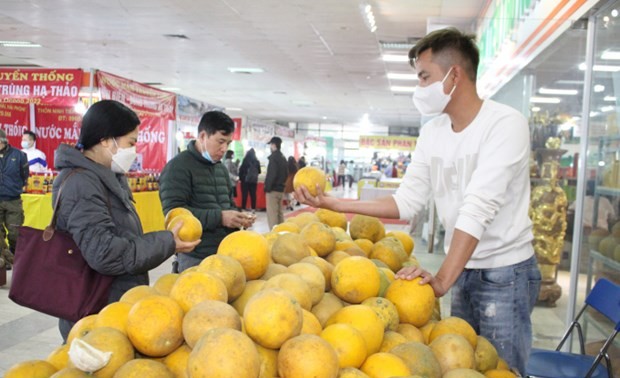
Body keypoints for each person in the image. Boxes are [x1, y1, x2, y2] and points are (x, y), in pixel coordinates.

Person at [295, 28, 540, 375]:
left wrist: (441, 280)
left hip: (506, 271)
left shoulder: (505, 125)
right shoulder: (433, 132)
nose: (420, 88)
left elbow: (478, 206)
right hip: (465, 268)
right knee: (466, 365)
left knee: (501, 368)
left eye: (425, 77)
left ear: (455, 75)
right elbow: (407, 201)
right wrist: (337, 204)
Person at [52, 100, 199, 341]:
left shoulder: (109, 176)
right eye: (131, 142)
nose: (134, 150)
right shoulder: (82, 184)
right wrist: (166, 242)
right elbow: (104, 253)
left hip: (116, 302)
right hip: (97, 312)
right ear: (105, 140)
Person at [160, 111, 255, 272]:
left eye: (228, 143)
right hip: (195, 257)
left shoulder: (221, 169)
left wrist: (238, 217)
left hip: (225, 252)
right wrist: (220, 218)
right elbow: (175, 215)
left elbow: (228, 204)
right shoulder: (178, 167)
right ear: (203, 136)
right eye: (220, 141)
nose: (224, 148)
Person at [0, 129, 29, 271]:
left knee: (15, 233)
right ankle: (3, 262)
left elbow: (25, 176)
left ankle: (16, 260)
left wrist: (15, 187)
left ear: (3, 141)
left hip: (13, 200)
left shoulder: (19, 155)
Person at [264, 136, 288, 229]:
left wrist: (267, 188)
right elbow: (286, 173)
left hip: (273, 190)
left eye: (270, 144)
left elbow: (272, 174)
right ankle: (281, 233)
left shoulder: (273, 158)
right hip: (281, 189)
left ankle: (274, 235)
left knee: (272, 214)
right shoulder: (283, 157)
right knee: (280, 214)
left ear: (273, 145)